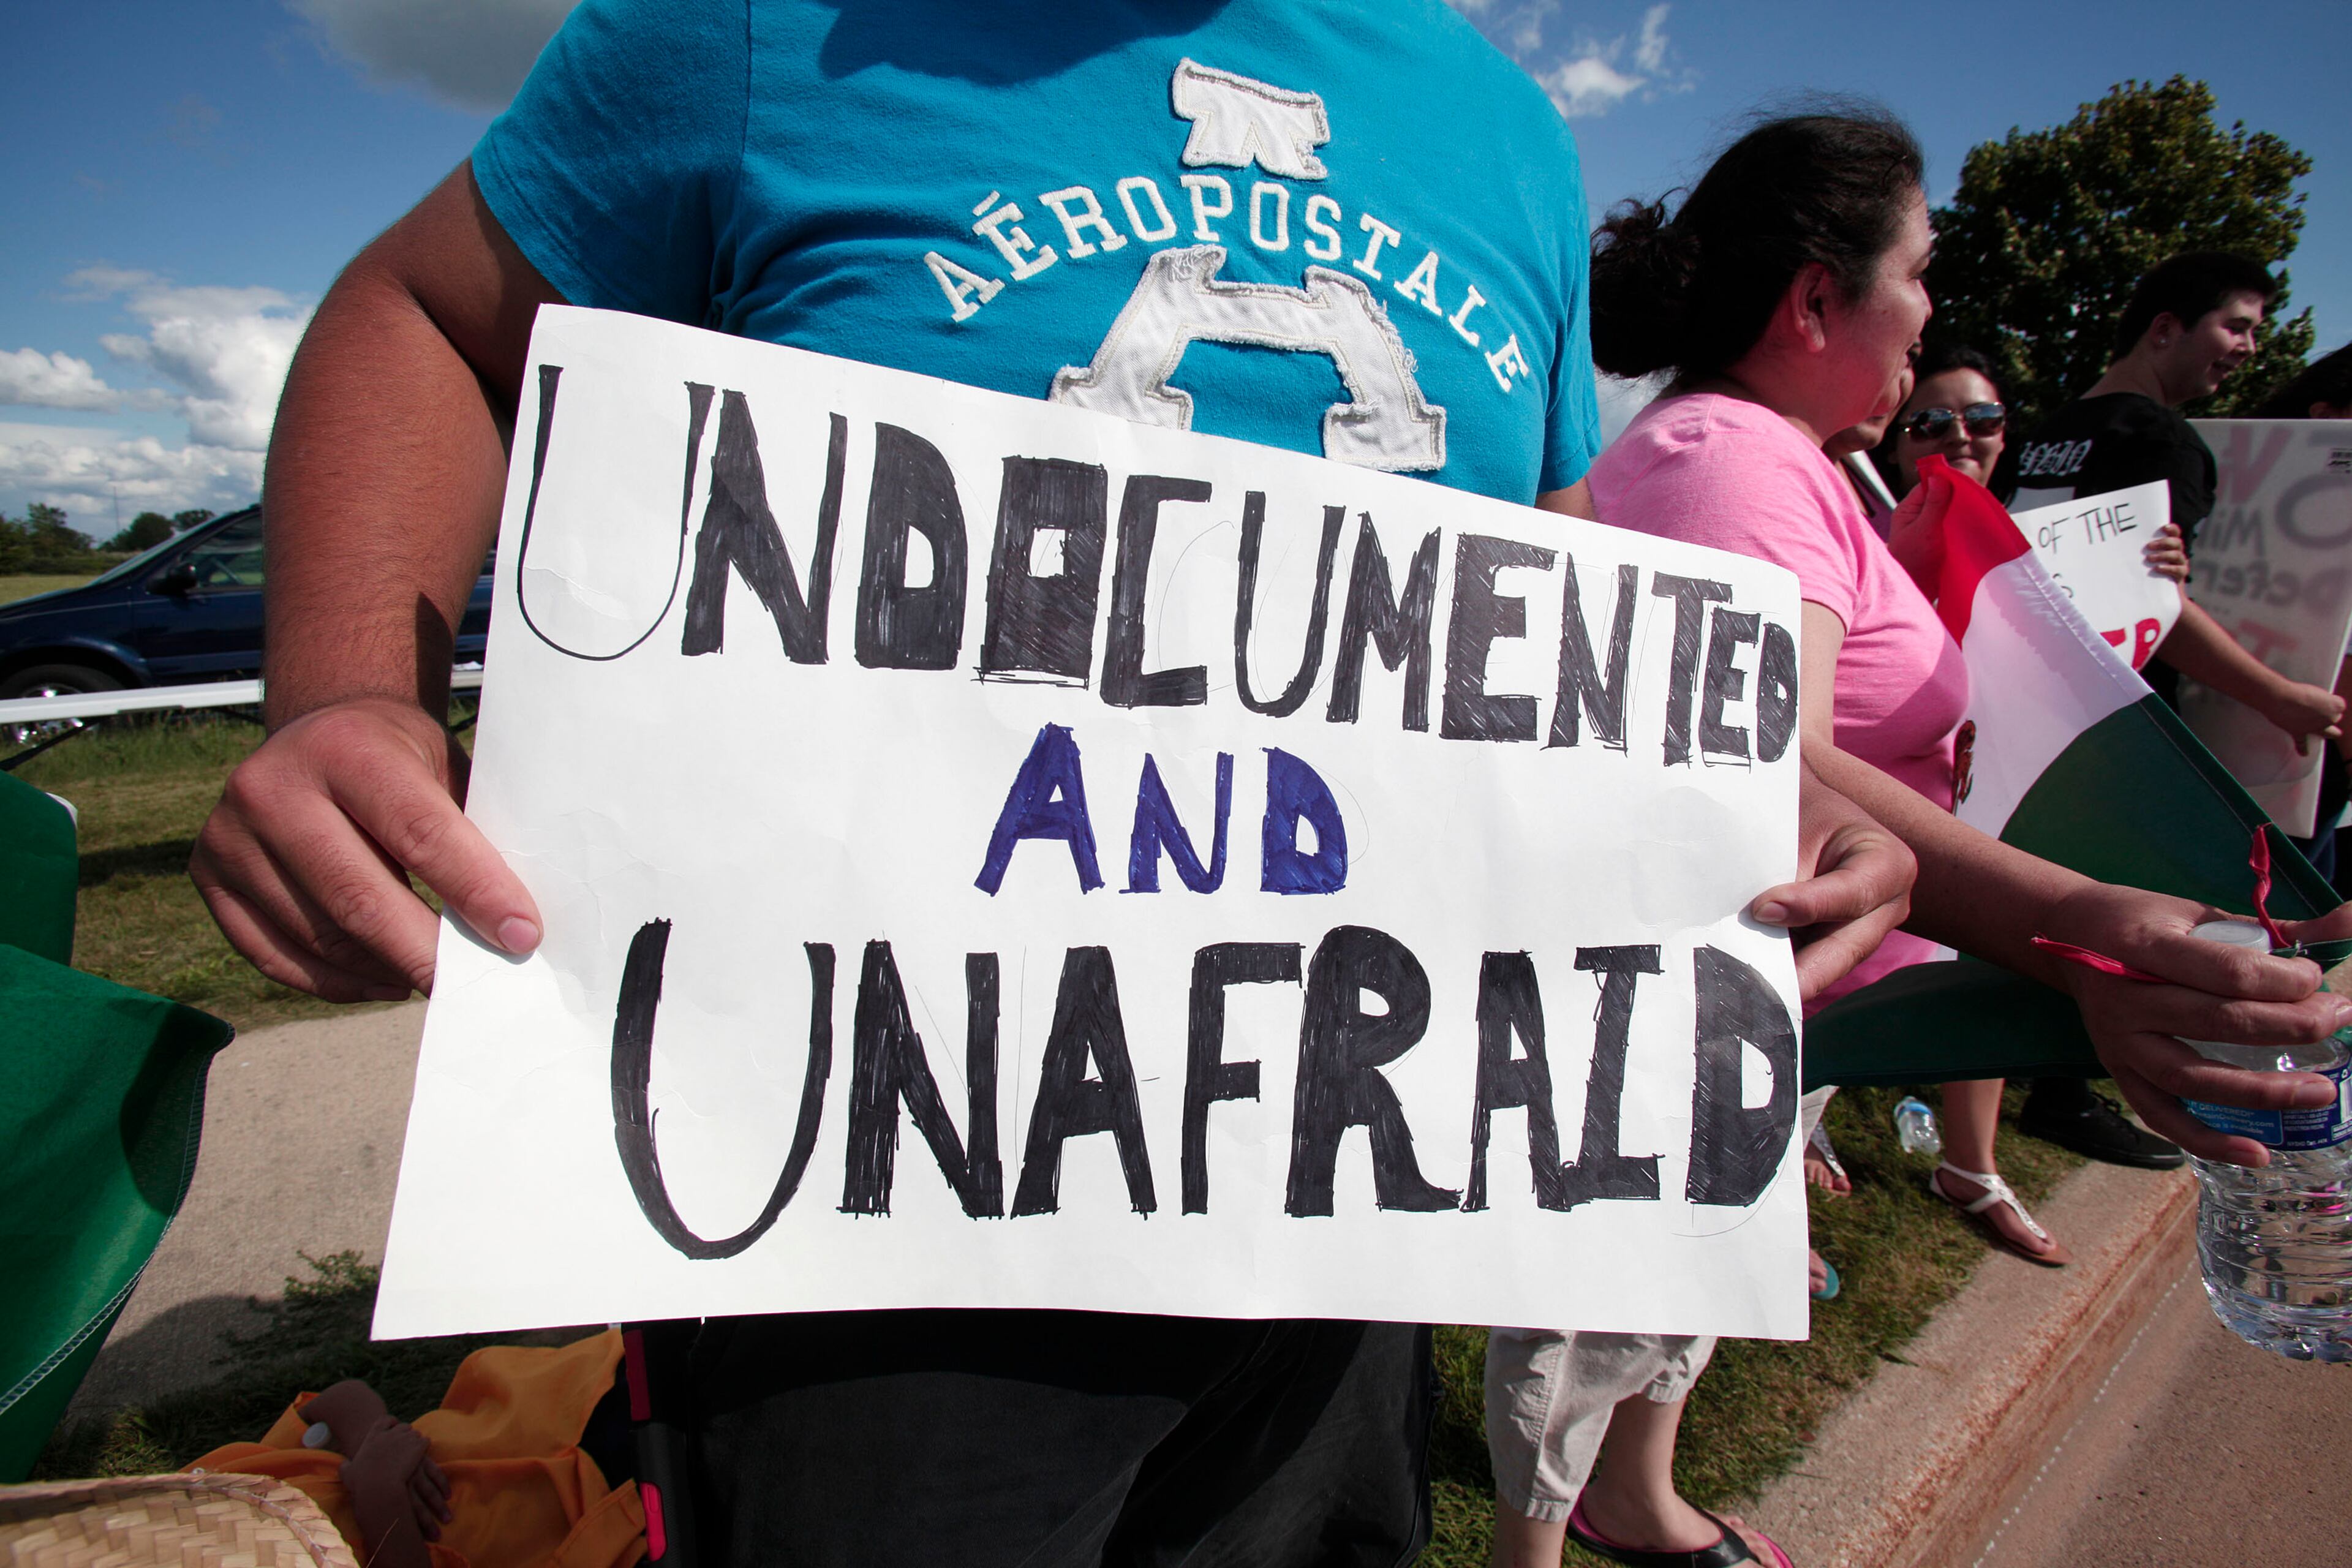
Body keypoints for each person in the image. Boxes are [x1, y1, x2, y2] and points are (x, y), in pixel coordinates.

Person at [184, 4, 1913, 1563]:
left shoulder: (1503, 127)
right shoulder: (746, 30)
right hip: (856, 1215)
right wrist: (346, 692)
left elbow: (1541, 565)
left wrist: (1730, 788)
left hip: (1357, 1175)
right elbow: (424, 313)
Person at [1483, 108, 2352, 1568]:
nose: (1935, 312)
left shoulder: (1783, 459)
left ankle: (1635, 1496)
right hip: (1710, 981)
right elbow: (1770, 763)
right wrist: (2067, 919)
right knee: (1619, 1262)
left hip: (1779, 990)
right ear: (1817, 298)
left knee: (1690, 1260)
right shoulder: (1730, 465)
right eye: (1922, 269)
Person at [1995, 255, 2346, 1164]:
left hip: (2021, 699)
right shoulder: (2163, 442)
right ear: (2164, 327)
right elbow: (2152, 605)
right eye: (2235, 325)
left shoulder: (2048, 430)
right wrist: (2283, 696)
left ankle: (2047, 1082)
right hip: (2112, 717)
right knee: (2107, 904)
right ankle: (2068, 1088)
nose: (2248, 348)